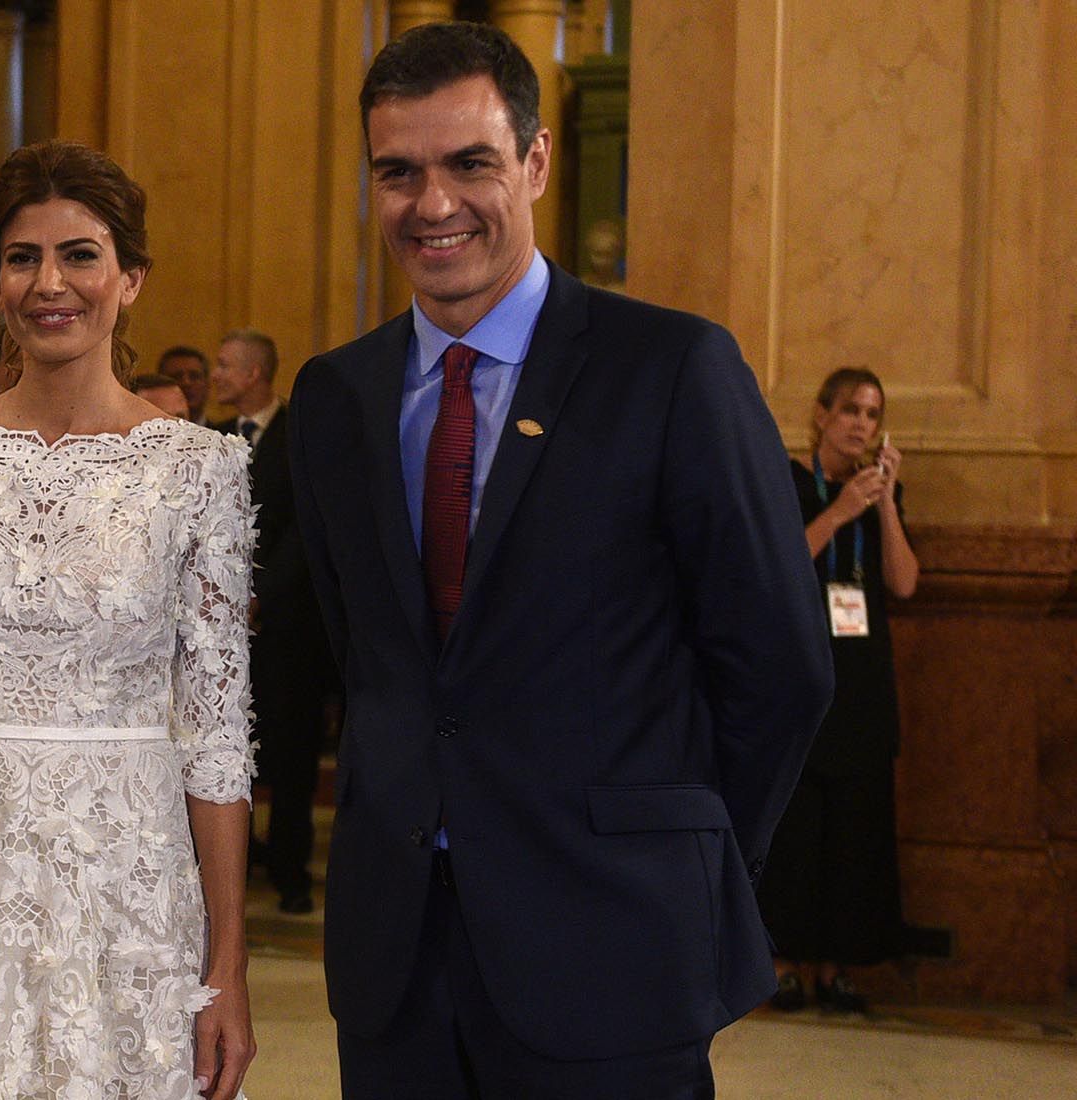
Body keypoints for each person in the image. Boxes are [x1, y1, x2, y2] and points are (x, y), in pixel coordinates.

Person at [286, 23, 832, 1097]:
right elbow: (362, 655)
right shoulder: (334, 397)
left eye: (468, 163)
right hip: (396, 963)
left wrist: (683, 848)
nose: (430, 203)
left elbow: (779, 663)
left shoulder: (670, 367)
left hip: (615, 940)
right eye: (396, 172)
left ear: (534, 162)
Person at [0, 139, 257, 1100]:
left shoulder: (197, 470)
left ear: (131, 279)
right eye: (23, 257)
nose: (51, 283)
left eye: (80, 254)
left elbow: (215, 735)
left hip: (128, 876)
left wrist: (230, 962)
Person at [760, 368, 919, 1015]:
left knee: (856, 829)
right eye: (850, 409)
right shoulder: (789, 482)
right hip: (798, 674)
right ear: (822, 415)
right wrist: (842, 507)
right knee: (797, 829)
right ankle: (783, 965)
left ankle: (836, 967)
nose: (861, 423)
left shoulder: (881, 492)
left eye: (873, 414)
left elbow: (904, 583)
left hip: (861, 679)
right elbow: (777, 565)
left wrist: (880, 504)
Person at [209, 328, 334, 914]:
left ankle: (290, 869)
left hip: (287, 628)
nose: (215, 375)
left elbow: (309, 529)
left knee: (290, 752)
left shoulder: (301, 435)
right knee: (229, 749)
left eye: (224, 365)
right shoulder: (210, 437)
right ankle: (234, 865)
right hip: (220, 629)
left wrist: (260, 594)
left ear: (255, 373)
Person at [158, 344, 214, 425]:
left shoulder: (225, 435)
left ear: (207, 384)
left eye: (194, 376)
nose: (186, 383)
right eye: (176, 377)